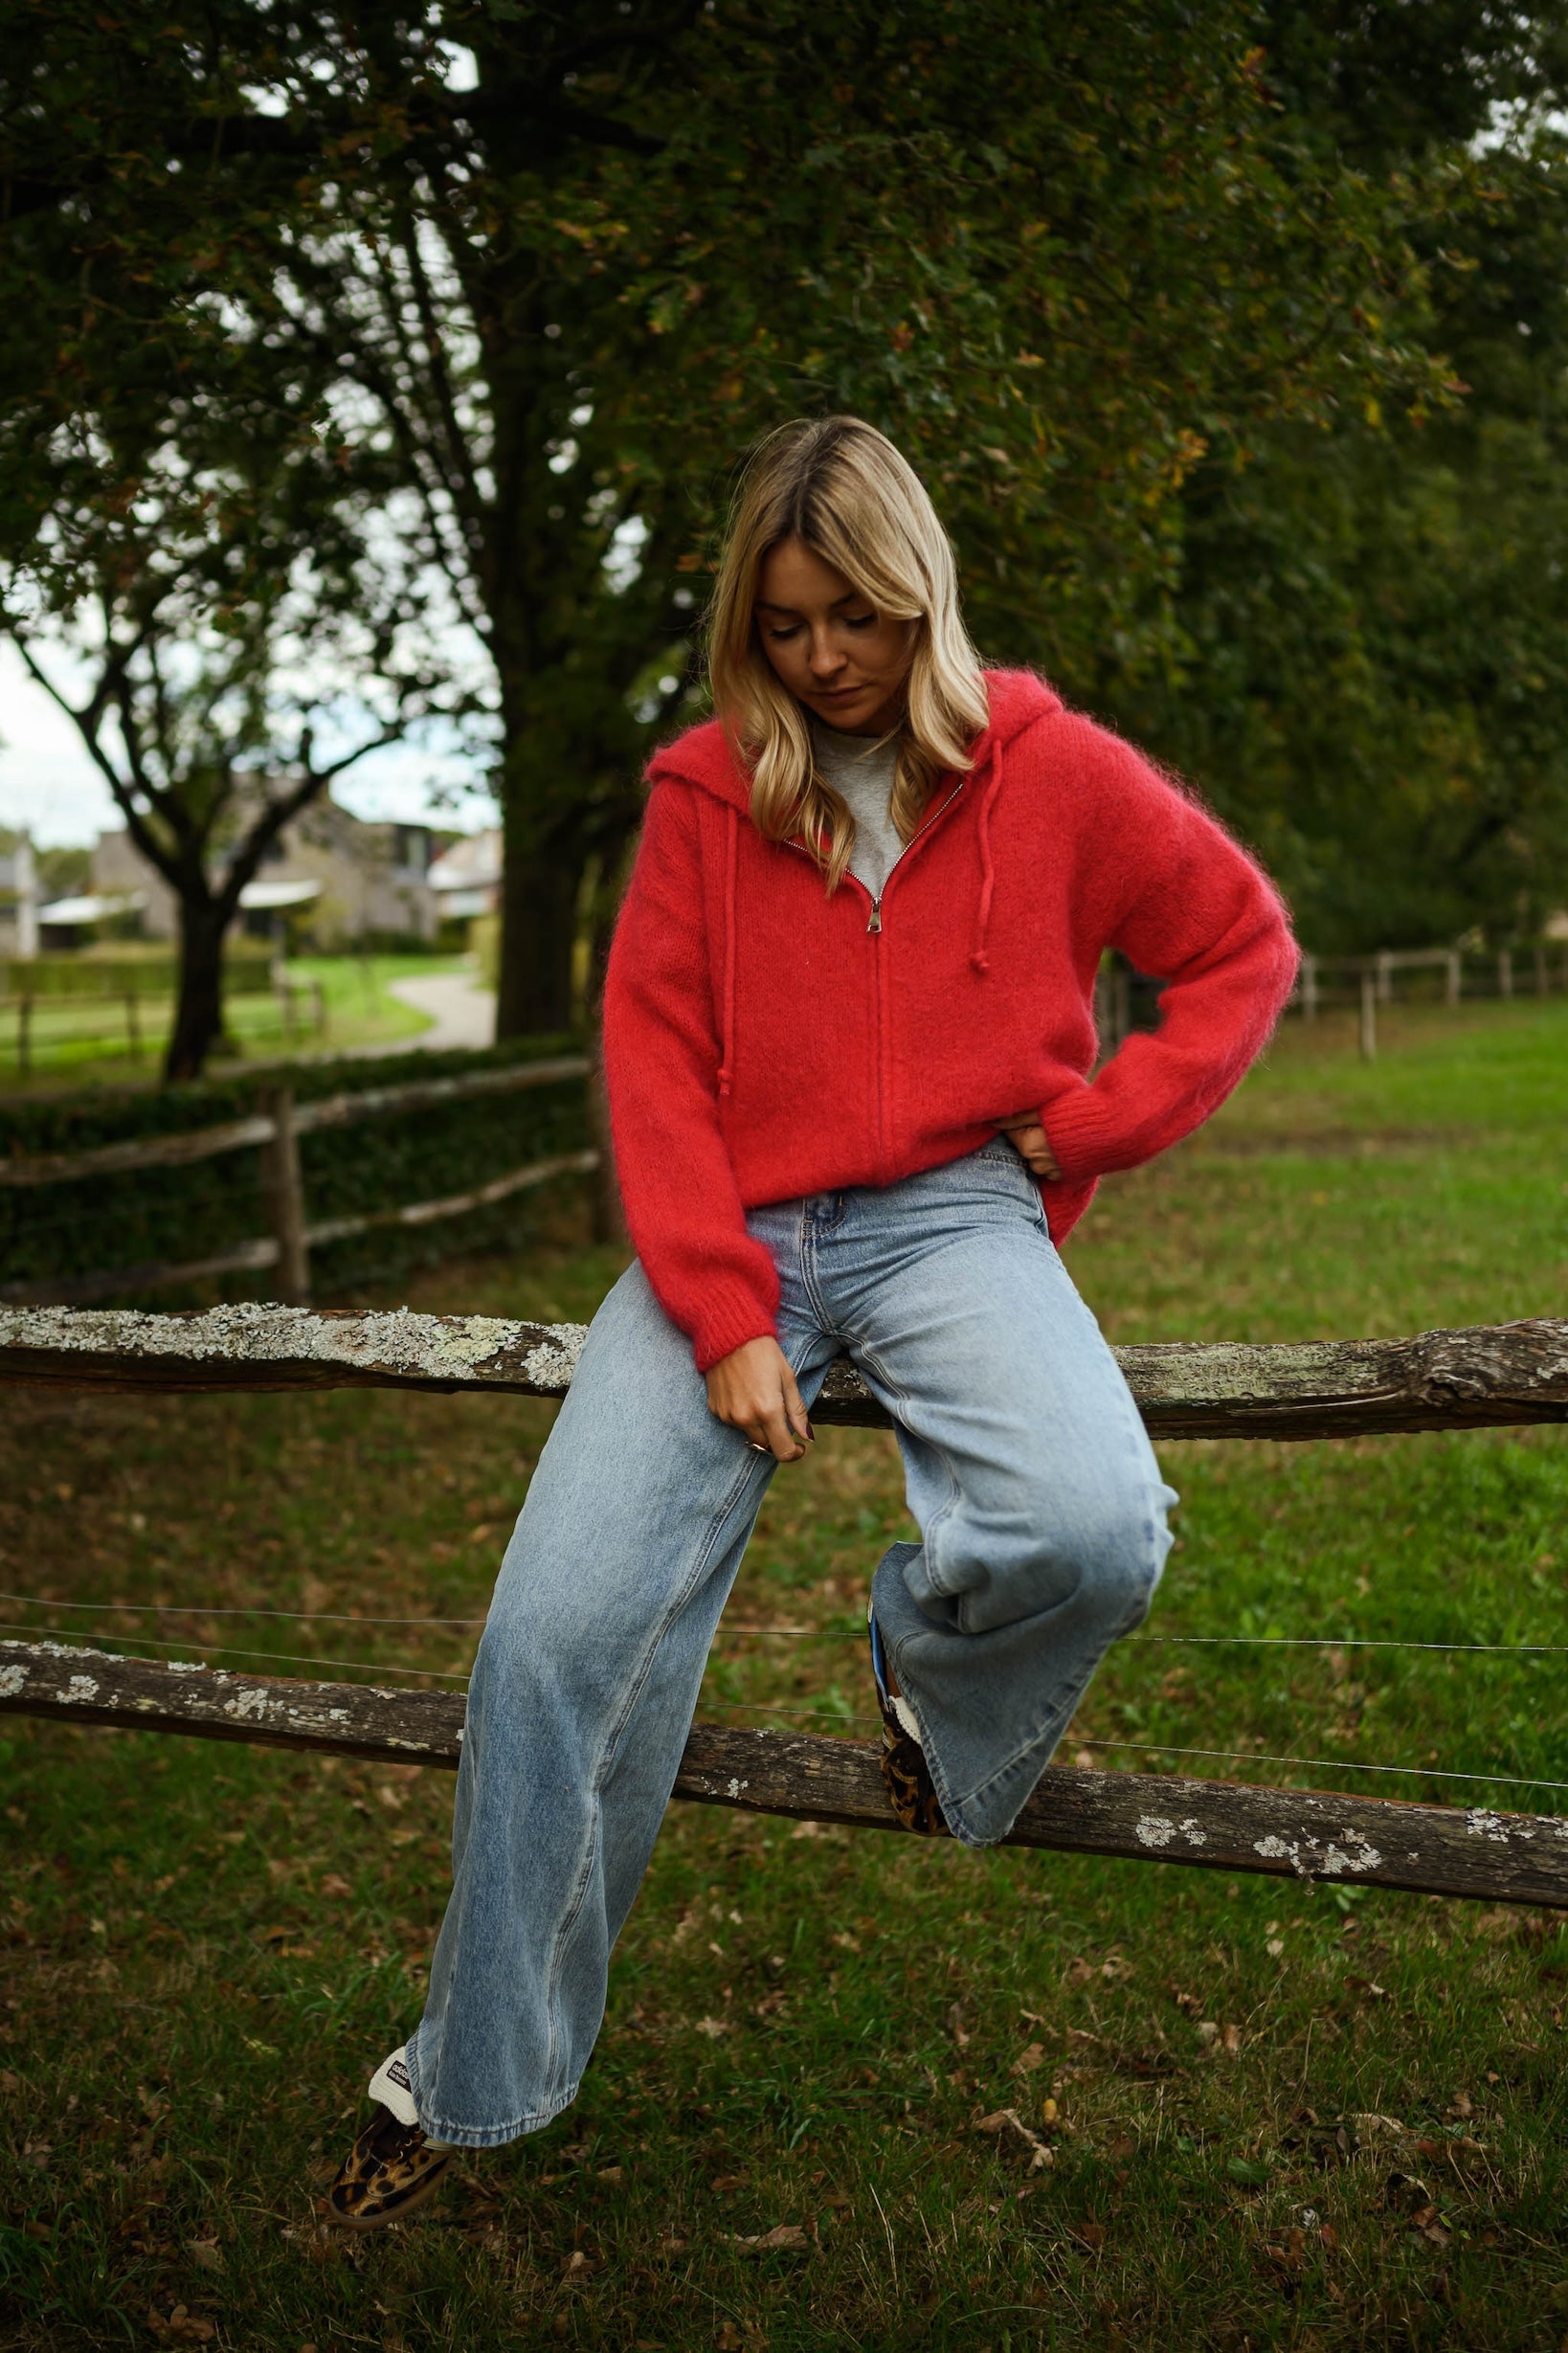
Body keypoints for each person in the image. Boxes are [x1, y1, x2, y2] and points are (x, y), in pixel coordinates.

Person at [326, 415, 1298, 2228]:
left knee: (1094, 1527)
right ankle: (474, 2067)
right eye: (783, 624)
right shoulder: (706, 794)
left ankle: (931, 1679)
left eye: (854, 616)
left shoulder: (1052, 769)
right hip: (735, 1224)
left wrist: (1102, 1121)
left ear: (919, 595)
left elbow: (1240, 946)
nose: (824, 658)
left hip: (955, 1217)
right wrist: (719, 1308)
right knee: (550, 1636)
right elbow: (649, 1054)